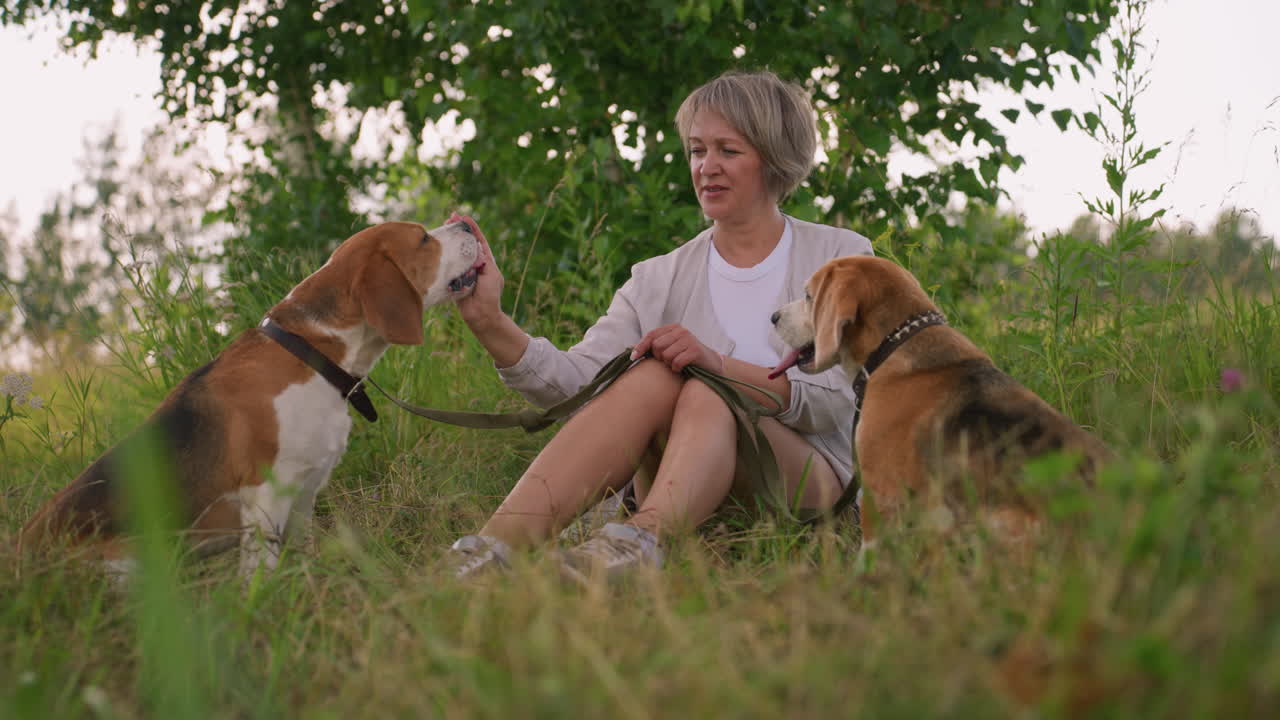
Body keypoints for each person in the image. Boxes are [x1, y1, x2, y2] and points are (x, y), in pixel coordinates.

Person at [446, 70, 872, 583]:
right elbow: (577, 386)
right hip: (686, 501)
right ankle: (486, 555)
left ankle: (638, 544)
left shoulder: (840, 255)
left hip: (805, 489)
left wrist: (719, 366)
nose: (706, 168)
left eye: (728, 151)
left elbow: (833, 401)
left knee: (707, 388)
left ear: (774, 156)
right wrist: (489, 321)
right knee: (651, 376)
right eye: (697, 151)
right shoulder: (658, 277)